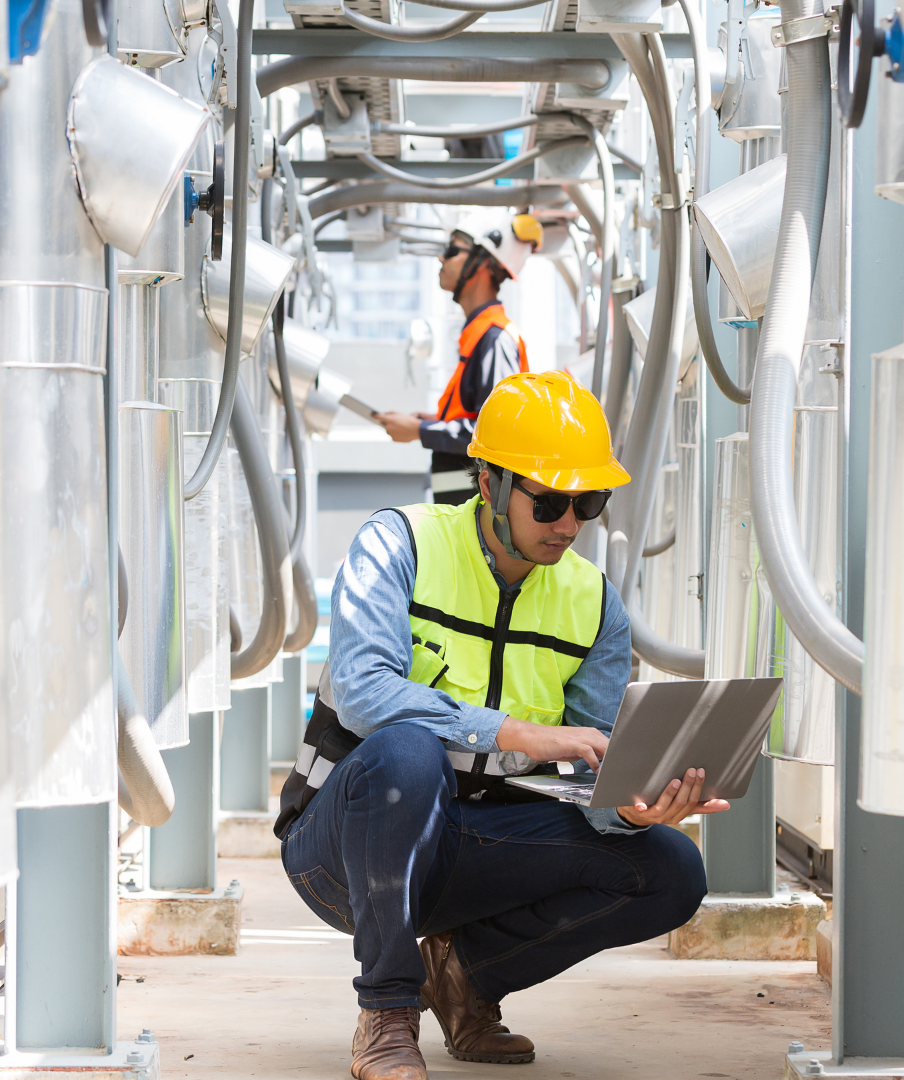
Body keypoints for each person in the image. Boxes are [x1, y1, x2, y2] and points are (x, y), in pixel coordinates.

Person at [276, 371, 727, 1080]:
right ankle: (388, 1015)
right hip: (343, 852)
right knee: (405, 753)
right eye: (549, 500)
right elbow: (363, 692)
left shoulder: (593, 605)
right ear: (487, 483)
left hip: (477, 849)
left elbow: (593, 778)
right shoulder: (399, 546)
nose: (569, 524)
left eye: (589, 501)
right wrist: (515, 731)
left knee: (669, 868)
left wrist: (635, 811)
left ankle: (463, 981)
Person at [373, 211, 541, 504]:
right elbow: (476, 418)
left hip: (478, 519)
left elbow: (492, 434)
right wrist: (432, 421)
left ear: (482, 263)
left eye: (451, 250)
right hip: (465, 512)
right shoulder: (480, 334)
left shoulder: (495, 338)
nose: (441, 259)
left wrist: (419, 430)